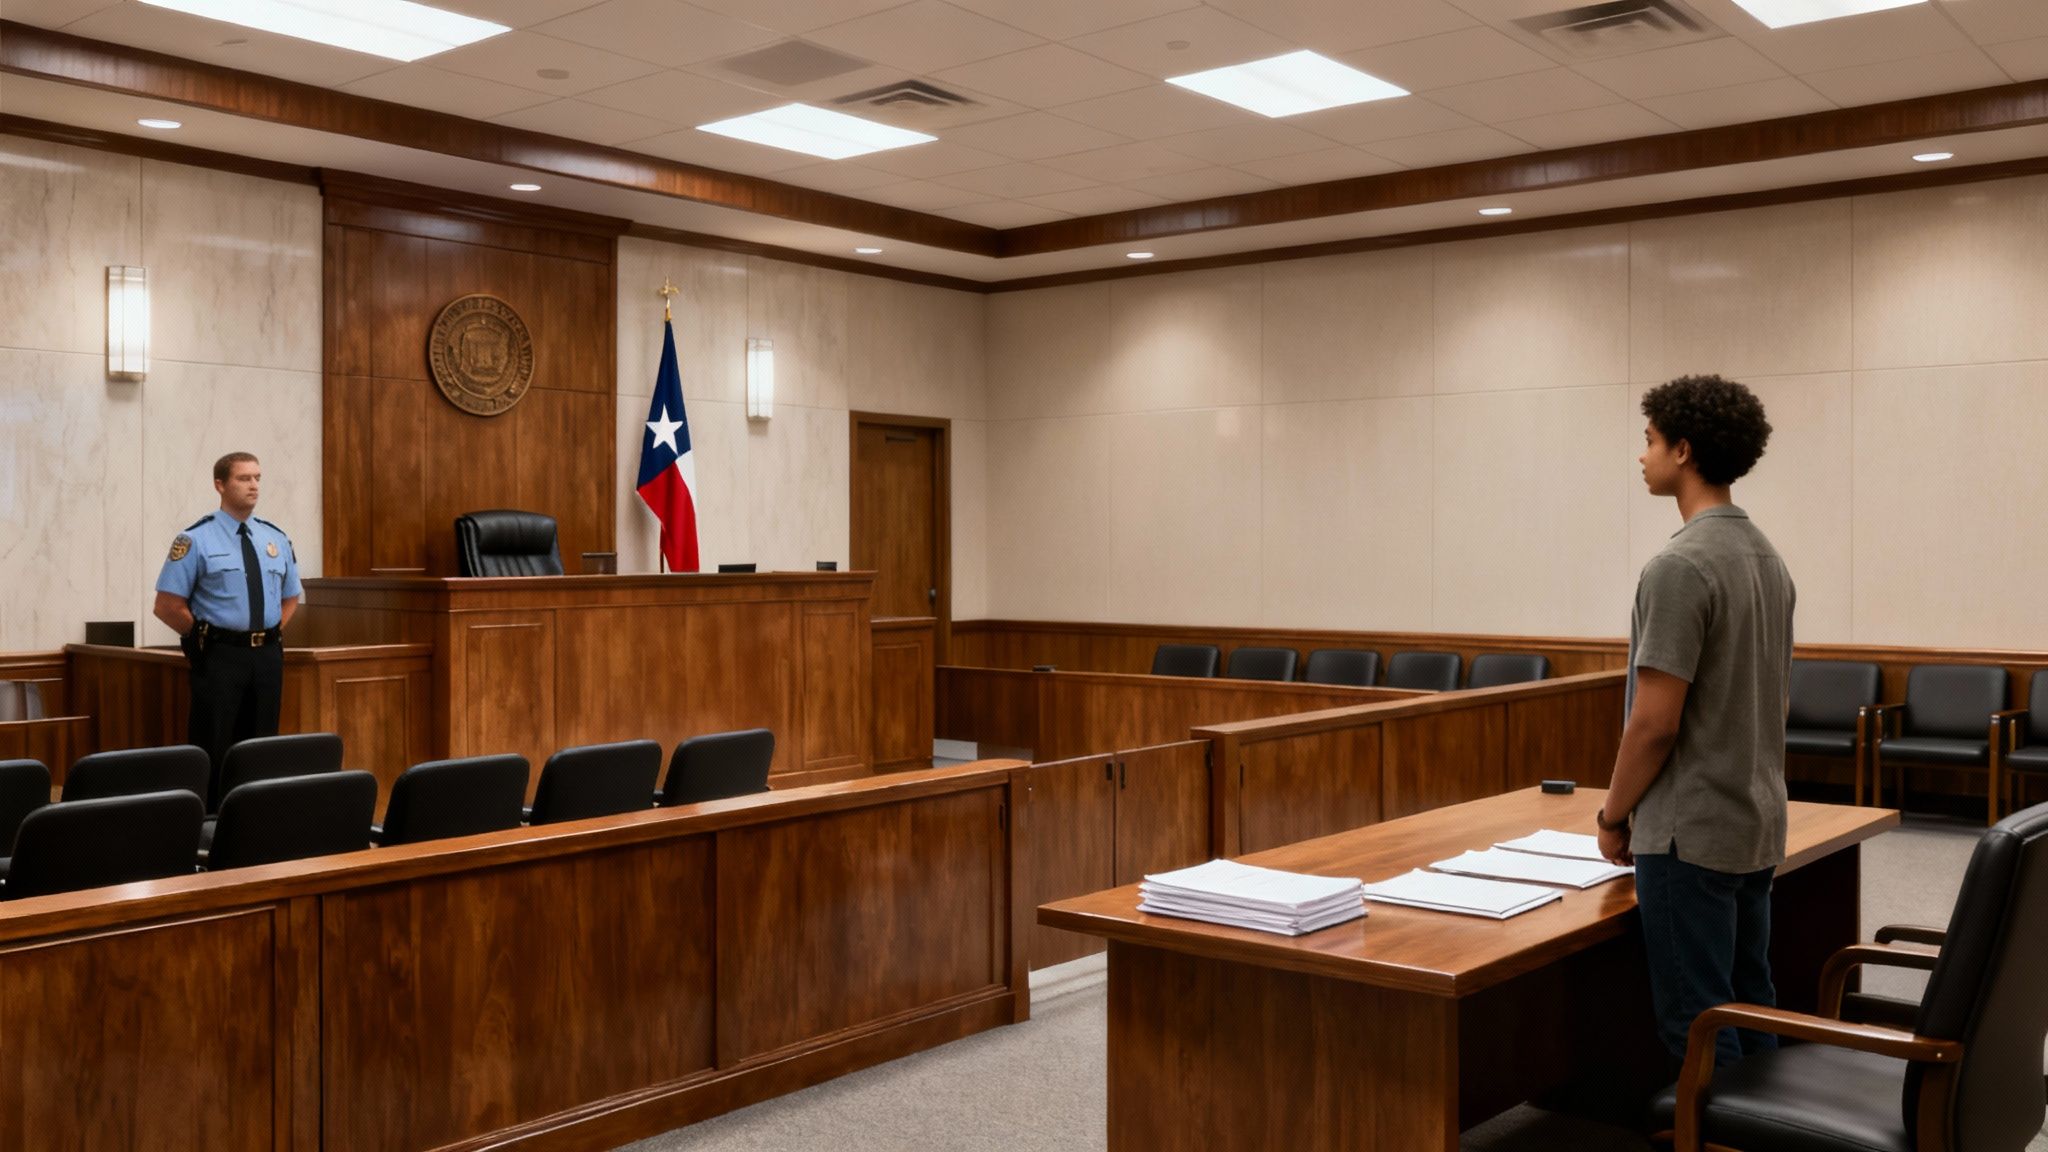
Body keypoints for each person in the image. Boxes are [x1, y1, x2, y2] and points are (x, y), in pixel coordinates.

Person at [1595, 374, 1794, 1074]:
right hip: (1753, 817)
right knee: (1750, 999)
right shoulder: (1767, 557)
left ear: (1683, 449)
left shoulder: (1680, 565)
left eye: (1649, 441)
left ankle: (1723, 1133)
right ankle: (1772, 1131)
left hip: (1689, 832)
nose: (1641, 456)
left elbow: (1654, 724)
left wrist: (1612, 814)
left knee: (1699, 1021)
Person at [153, 451, 302, 806]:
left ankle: (256, 814)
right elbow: (167, 605)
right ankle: (210, 824)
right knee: (215, 742)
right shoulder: (195, 539)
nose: (253, 486)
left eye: (257, 478)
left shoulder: (275, 538)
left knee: (261, 743)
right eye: (243, 478)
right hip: (220, 655)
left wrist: (268, 632)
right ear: (220, 484)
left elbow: (291, 596)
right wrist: (205, 635)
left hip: (266, 655)